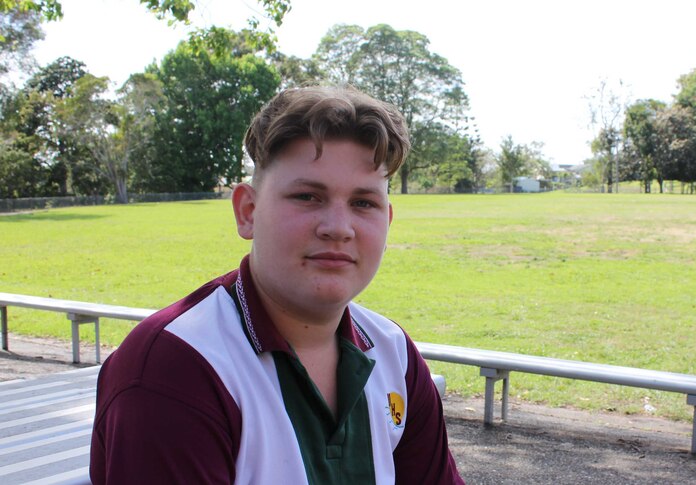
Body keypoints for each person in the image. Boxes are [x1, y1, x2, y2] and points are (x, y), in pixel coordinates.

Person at [90, 86, 464, 484]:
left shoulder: (393, 352)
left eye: (363, 203)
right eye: (307, 196)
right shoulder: (178, 368)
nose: (338, 228)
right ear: (248, 212)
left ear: (387, 221)